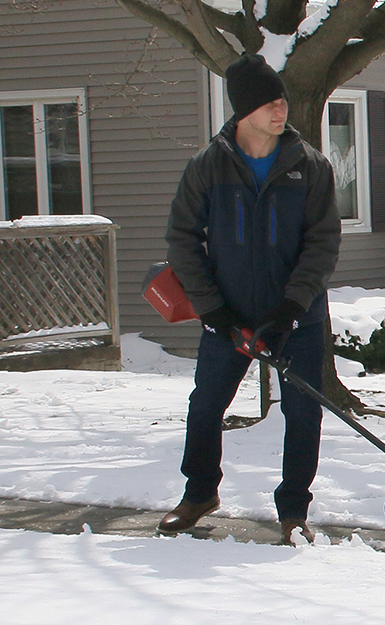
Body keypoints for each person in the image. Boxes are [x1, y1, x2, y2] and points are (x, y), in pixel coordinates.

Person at [158, 54, 341, 545]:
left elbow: (322, 244)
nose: (280, 111)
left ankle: (293, 511)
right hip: (228, 316)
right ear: (244, 112)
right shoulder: (208, 166)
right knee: (206, 404)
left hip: (296, 317)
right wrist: (213, 309)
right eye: (269, 105)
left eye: (282, 101)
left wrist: (293, 306)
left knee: (302, 413)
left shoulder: (309, 166)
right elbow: (182, 239)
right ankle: (199, 492)